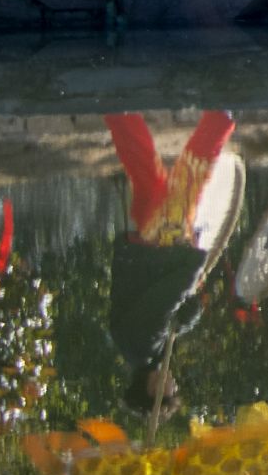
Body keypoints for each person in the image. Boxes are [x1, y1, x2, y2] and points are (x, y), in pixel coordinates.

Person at [103, 109, 240, 411]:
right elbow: (179, 314)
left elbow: (165, 299)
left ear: (153, 390)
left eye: (170, 390)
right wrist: (187, 318)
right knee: (146, 172)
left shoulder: (142, 345)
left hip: (160, 245)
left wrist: (194, 266)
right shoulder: (146, 351)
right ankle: (119, 112)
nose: (174, 384)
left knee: (192, 175)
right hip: (148, 248)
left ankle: (222, 116)